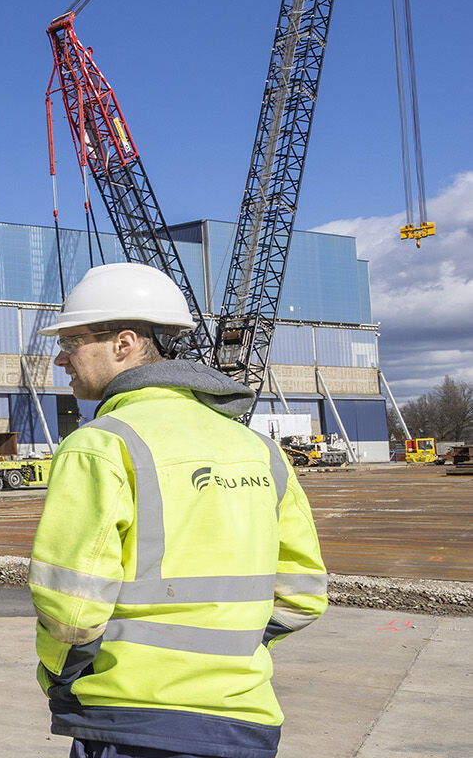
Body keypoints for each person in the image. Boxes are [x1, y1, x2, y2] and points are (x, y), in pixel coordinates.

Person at [29, 262, 328, 758]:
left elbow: (72, 610)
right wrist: (230, 648)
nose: (62, 358)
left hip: (132, 718)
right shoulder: (258, 449)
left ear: (123, 343)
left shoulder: (102, 445)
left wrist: (63, 677)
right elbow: (304, 593)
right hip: (244, 719)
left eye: (72, 341)